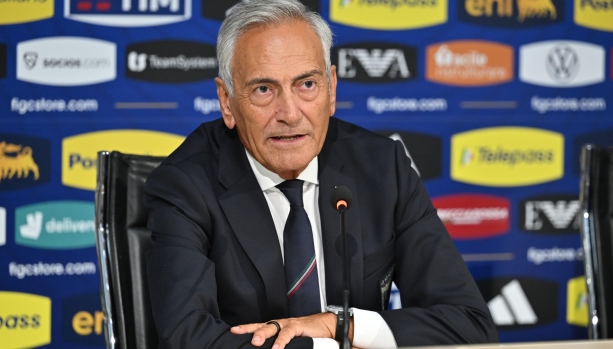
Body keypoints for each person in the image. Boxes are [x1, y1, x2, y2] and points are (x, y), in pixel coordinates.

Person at [143, 1, 499, 348]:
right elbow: (187, 337)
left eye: (306, 85)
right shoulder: (185, 184)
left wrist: (339, 325)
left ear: (331, 88)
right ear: (227, 101)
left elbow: (468, 323)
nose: (290, 113)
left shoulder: (382, 167)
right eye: (264, 89)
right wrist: (322, 345)